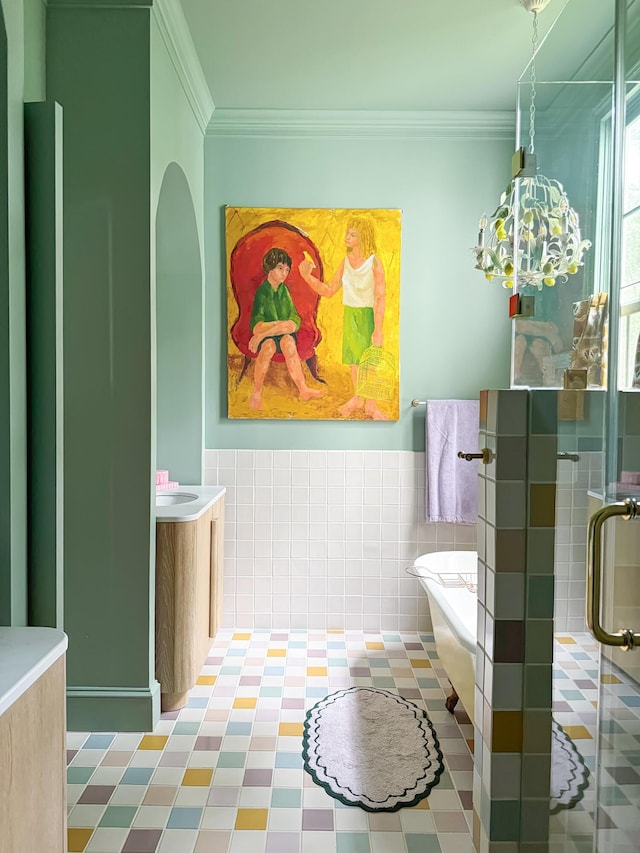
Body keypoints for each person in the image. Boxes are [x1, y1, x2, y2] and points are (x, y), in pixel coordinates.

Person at [298, 217, 388, 419]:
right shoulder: (345, 262)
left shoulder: (374, 263)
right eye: (347, 232)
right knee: (354, 362)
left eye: (352, 234)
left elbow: (380, 297)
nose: (347, 237)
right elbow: (329, 290)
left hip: (367, 316)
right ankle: (357, 398)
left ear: (363, 237)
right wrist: (307, 277)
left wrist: (378, 329)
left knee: (369, 363)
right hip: (350, 314)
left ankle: (371, 405)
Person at [248, 247, 324, 410]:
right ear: (270, 267)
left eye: (287, 270)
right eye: (280, 268)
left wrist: (266, 332)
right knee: (267, 347)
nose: (284, 273)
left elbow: (293, 321)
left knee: (289, 342)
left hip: (281, 334)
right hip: (269, 337)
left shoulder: (285, 291)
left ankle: (303, 389)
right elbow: (256, 326)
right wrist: (275, 327)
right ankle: (256, 392)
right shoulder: (262, 293)